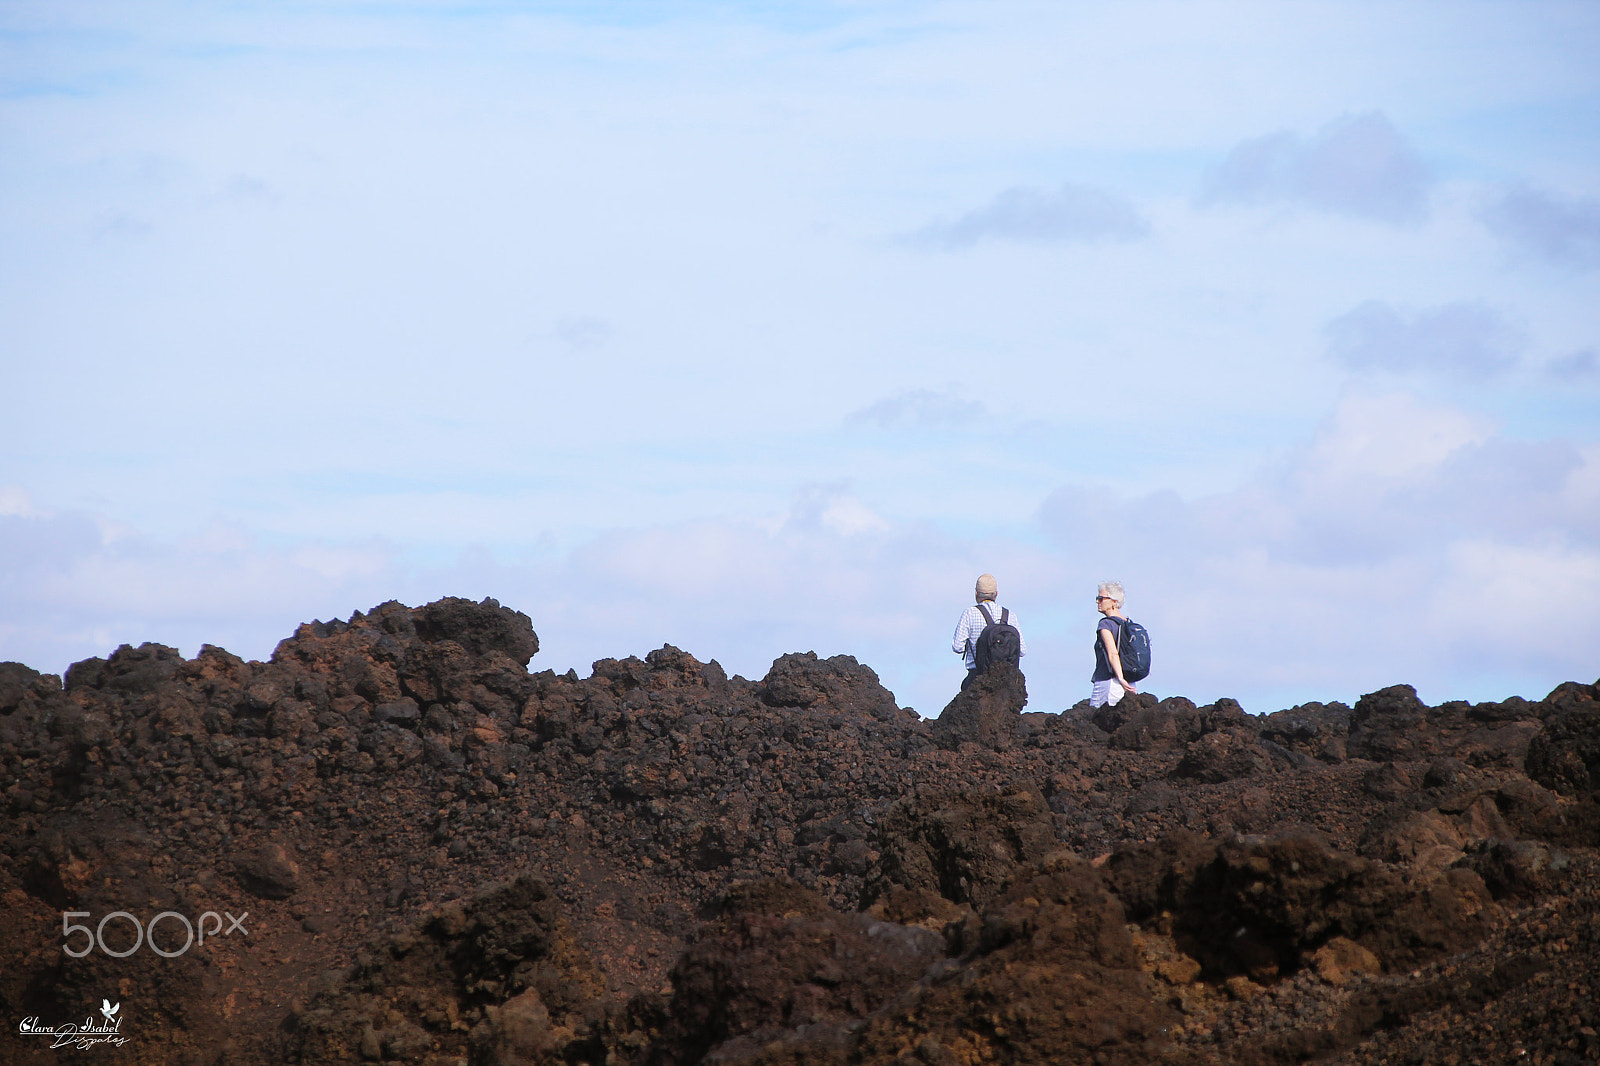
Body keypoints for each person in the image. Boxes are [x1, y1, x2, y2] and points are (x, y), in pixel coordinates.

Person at [952, 573, 1026, 691]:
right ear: (996, 594)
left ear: (976, 593)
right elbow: (1022, 651)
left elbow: (957, 647)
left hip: (977, 678)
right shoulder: (1010, 615)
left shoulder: (969, 613)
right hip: (1007, 681)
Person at [1090, 581, 1137, 707]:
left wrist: (1120, 678)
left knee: (1096, 721)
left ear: (1114, 602)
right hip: (1130, 682)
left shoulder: (1106, 624)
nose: (1097, 601)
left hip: (1109, 682)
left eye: (1101, 598)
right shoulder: (1128, 624)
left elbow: (1112, 653)